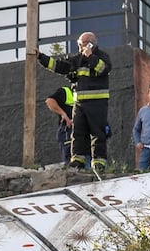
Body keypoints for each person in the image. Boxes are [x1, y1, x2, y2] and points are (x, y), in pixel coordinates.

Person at [36, 32, 112, 171]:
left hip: (97, 103)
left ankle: (99, 162)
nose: (79, 47)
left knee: (97, 132)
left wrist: (90, 56)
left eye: (81, 44)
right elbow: (59, 66)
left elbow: (103, 69)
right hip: (80, 104)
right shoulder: (76, 60)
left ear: (90, 44)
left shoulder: (102, 56)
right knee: (77, 132)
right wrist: (41, 57)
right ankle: (77, 160)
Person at [45, 83, 74, 165]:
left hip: (82, 131)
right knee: (70, 161)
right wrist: (63, 114)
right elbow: (50, 101)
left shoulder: (85, 95)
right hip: (68, 130)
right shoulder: (66, 91)